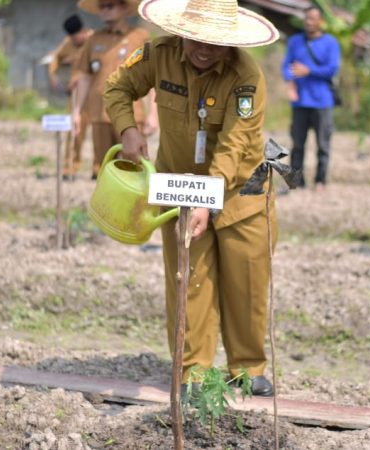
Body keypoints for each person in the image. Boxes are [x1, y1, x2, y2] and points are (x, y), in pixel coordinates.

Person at [104, 0, 280, 396]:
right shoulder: (156, 54)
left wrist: (209, 198)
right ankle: (192, 371)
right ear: (183, 31)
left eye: (216, 42)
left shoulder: (246, 75)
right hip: (180, 188)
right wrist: (127, 129)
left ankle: (247, 366)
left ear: (230, 41)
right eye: (198, 38)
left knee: (246, 281)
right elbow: (117, 87)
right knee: (189, 280)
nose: (205, 48)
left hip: (241, 192)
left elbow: (235, 144)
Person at [72, 0, 157, 179]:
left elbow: (152, 78)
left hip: (131, 114)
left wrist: (153, 114)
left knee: (134, 168)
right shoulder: (93, 40)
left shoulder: (140, 37)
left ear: (124, 7)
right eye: (101, 7)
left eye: (109, 6)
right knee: (102, 168)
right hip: (99, 112)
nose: (104, 11)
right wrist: (77, 112)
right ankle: (105, 206)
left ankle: (134, 207)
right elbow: (85, 76)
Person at [281, 6, 341, 192]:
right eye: (307, 18)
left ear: (320, 21)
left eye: (313, 19)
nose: (309, 22)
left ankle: (320, 181)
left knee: (323, 145)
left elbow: (332, 69)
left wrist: (309, 71)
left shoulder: (330, 42)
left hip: (322, 102)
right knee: (297, 144)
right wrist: (290, 81)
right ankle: (297, 182)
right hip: (300, 102)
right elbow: (286, 67)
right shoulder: (295, 41)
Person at [48, 15, 93, 181]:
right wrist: (53, 76)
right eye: (72, 38)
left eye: (76, 37)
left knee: (101, 133)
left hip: (96, 94)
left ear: (83, 31)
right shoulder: (68, 43)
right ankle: (70, 166)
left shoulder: (94, 40)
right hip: (76, 95)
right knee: (74, 131)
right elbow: (55, 58)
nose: (74, 41)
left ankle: (98, 168)